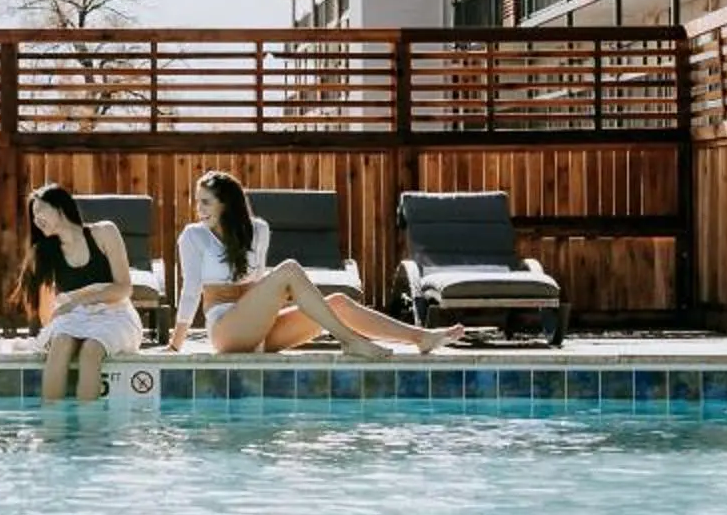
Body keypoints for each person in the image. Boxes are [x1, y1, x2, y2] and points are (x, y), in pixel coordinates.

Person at [168, 170, 462, 359]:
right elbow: (191, 290)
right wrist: (175, 344)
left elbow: (257, 283)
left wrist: (275, 307)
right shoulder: (193, 236)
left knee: (338, 303)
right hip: (226, 330)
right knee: (289, 269)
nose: (198, 209)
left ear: (226, 204)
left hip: (260, 328)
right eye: (197, 202)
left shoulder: (258, 230)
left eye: (205, 202)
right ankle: (349, 341)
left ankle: (420, 337)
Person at [24, 183, 146, 402]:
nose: (36, 219)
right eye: (33, 215)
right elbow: (48, 308)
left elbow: (123, 288)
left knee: (91, 350)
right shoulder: (45, 252)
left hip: (114, 312)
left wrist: (78, 300)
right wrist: (58, 318)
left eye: (40, 211)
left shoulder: (104, 233)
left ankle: (88, 423)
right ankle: (51, 420)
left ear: (60, 208)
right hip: (74, 316)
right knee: (60, 344)